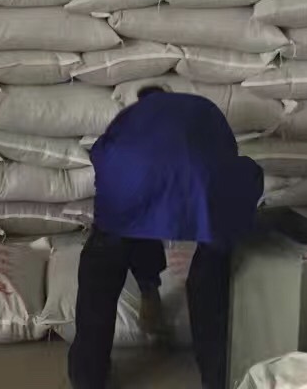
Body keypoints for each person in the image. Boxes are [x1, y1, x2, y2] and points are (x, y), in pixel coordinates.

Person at [68, 89, 264, 389]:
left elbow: (100, 153)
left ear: (143, 98)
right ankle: (217, 378)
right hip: (201, 182)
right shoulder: (201, 107)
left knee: (109, 254)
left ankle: (88, 378)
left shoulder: (131, 116)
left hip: (130, 182)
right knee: (212, 267)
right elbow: (227, 153)